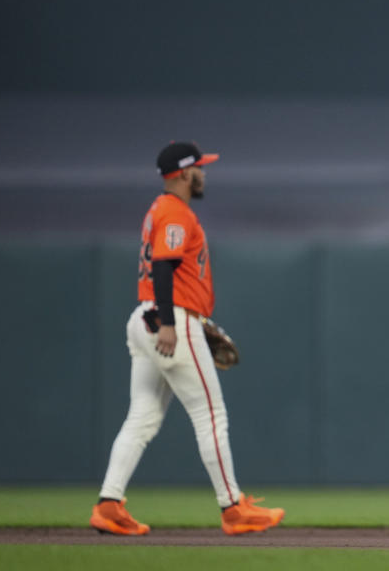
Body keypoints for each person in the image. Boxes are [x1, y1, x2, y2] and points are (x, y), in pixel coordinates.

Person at [90, 141, 284, 536]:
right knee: (211, 415)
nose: (204, 173)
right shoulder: (175, 213)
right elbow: (164, 265)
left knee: (141, 417)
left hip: (145, 317)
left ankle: (109, 504)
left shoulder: (159, 210)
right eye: (198, 167)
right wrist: (168, 321)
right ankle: (233, 508)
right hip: (169, 319)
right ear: (181, 174)